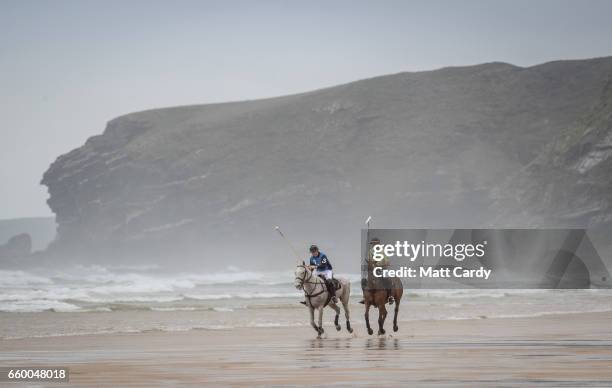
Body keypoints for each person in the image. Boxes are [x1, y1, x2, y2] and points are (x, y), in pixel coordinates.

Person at [359, 237, 394, 305]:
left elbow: (387, 261)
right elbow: (369, 261)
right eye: (373, 244)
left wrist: (382, 264)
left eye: (375, 243)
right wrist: (369, 265)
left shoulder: (383, 251)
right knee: (363, 281)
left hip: (382, 268)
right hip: (372, 269)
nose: (374, 245)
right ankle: (365, 297)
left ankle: (390, 296)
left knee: (387, 280)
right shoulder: (370, 251)